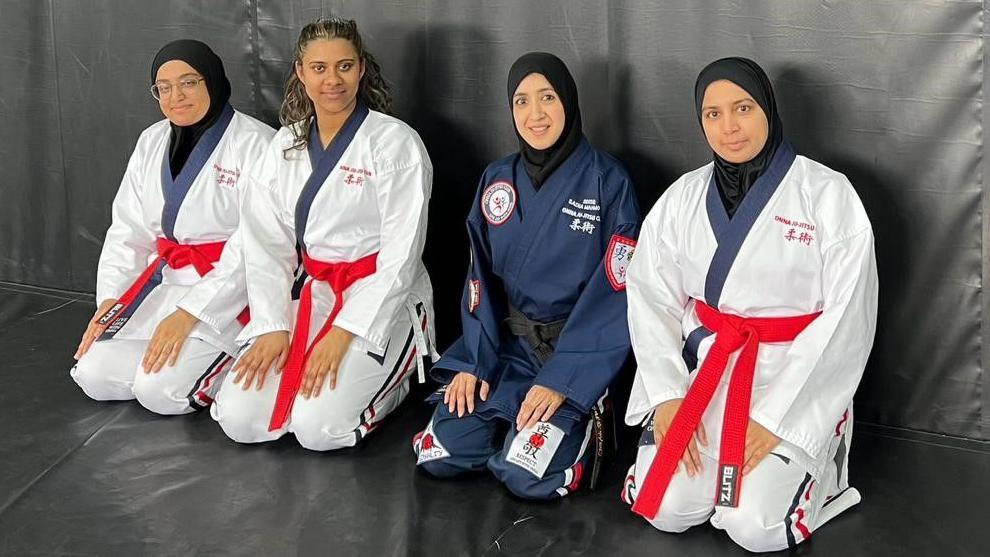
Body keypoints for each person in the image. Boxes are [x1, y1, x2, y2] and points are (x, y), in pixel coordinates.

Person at [621, 57, 878, 552]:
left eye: (742, 108)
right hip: (712, 371)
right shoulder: (682, 198)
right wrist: (668, 395)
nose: (728, 126)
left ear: (768, 110)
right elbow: (650, 295)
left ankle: (827, 470)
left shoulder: (826, 194)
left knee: (755, 527)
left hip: (796, 376)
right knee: (670, 510)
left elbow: (849, 315)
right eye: (712, 114)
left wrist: (780, 418)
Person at [414, 52, 640, 500]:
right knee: (439, 454)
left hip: (576, 353)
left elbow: (617, 293)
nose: (535, 114)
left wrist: (565, 378)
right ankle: (505, 424)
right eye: (521, 101)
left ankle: (554, 427)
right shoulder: (498, 179)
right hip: (507, 348)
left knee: (528, 475)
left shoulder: (607, 182)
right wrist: (475, 360)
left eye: (547, 98)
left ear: (569, 103)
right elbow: (477, 279)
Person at [210, 17, 436, 451]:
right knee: (241, 418)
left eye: (345, 66)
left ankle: (400, 372)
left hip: (380, 298)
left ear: (361, 69)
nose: (333, 80)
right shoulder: (285, 145)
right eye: (319, 68)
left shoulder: (395, 144)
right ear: (299, 71)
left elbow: (401, 256)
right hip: (314, 291)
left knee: (320, 429)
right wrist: (273, 324)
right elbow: (265, 245)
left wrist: (346, 331)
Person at [71, 39, 274, 415]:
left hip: (230, 291)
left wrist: (191, 313)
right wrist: (110, 303)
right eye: (163, 88)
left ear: (212, 81)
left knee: (159, 392)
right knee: (93, 374)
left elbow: (257, 244)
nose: (175, 96)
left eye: (188, 82)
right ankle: (178, 362)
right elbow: (128, 229)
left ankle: (224, 360)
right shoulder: (151, 141)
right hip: (166, 282)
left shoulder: (257, 144)